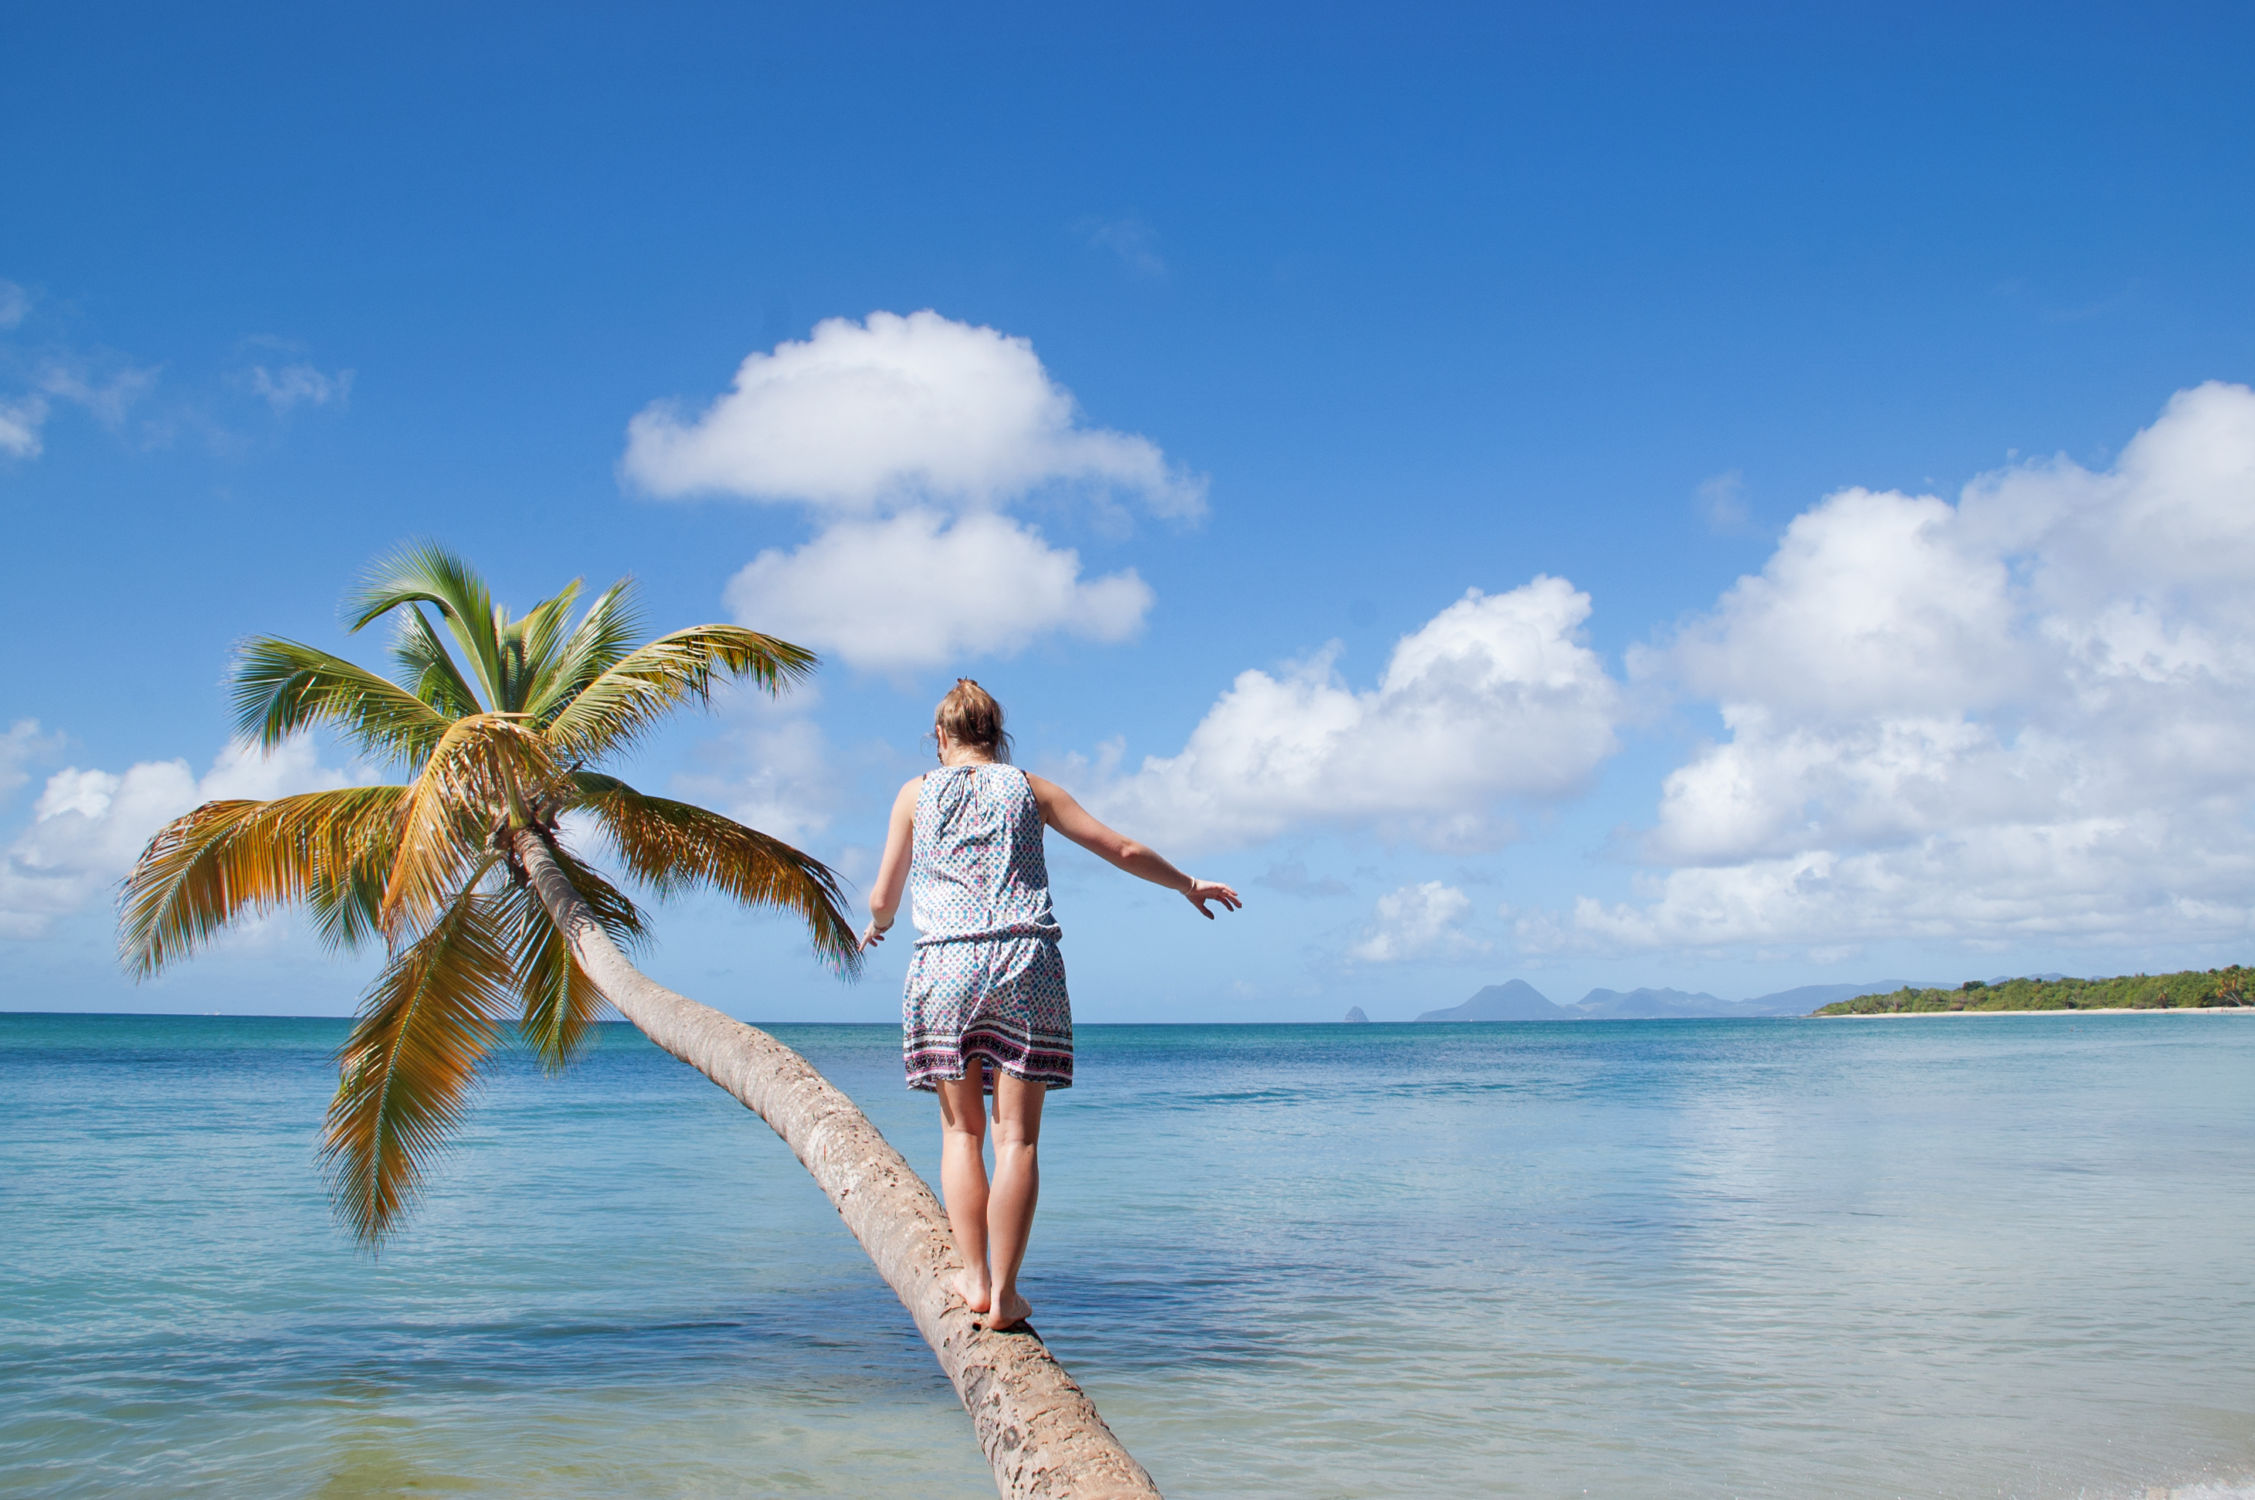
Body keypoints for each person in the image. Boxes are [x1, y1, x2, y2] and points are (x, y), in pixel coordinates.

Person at [860, 679, 1241, 1331]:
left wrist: (881, 924)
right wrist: (1186, 883)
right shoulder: (1030, 788)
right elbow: (1117, 848)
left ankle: (973, 1279)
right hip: (1023, 959)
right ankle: (1005, 1295)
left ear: (939, 737)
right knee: (1016, 1138)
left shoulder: (914, 794)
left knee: (961, 1132)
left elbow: (881, 896)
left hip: (944, 960)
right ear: (996, 733)